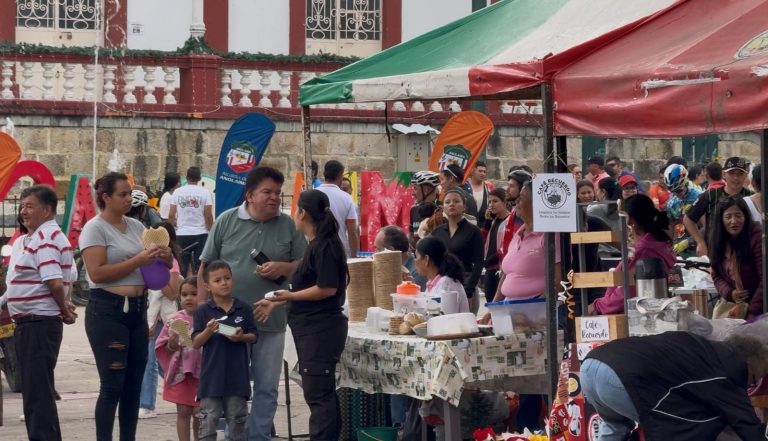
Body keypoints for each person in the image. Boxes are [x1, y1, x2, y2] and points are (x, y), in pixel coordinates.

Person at [197, 166, 306, 441]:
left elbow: (305, 265)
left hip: (271, 320)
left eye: (278, 193)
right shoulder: (226, 221)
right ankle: (233, 436)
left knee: (267, 387)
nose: (274, 198)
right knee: (231, 387)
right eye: (267, 192)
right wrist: (199, 310)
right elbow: (205, 268)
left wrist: (283, 266)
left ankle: (258, 436)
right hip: (228, 324)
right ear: (249, 195)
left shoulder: (289, 225)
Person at [80, 172, 173, 441]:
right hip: (108, 310)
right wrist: (138, 260)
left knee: (133, 386)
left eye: (129, 194)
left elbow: (158, 270)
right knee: (112, 385)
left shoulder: (136, 226)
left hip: (137, 309)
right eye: (122, 194)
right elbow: (97, 273)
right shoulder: (95, 228)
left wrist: (166, 257)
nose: (128, 199)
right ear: (106, 197)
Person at [255, 190, 348, 441]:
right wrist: (278, 300)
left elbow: (327, 288)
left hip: (320, 328)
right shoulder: (315, 245)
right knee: (319, 393)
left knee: (319, 395)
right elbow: (304, 287)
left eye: (296, 209)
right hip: (310, 327)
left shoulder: (326, 245)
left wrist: (291, 296)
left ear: (303, 213)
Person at [581, 330, 768, 440]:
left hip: (591, 366)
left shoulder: (703, 348)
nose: (749, 386)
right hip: (621, 379)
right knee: (684, 426)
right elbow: (745, 422)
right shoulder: (728, 370)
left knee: (615, 426)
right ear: (748, 364)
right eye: (752, 380)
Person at [5, 185, 77, 441]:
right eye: (22, 206)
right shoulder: (38, 237)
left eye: (30, 206)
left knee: (37, 395)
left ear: (46, 210)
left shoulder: (45, 238)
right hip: (32, 322)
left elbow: (54, 282)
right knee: (37, 393)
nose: (23, 212)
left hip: (38, 323)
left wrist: (63, 310)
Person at [193, 260, 258, 441]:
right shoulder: (203, 311)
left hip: (237, 377)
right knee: (208, 422)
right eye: (218, 280)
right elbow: (196, 343)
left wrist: (241, 337)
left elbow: (254, 336)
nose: (224, 283)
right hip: (211, 378)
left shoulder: (243, 308)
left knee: (237, 423)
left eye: (227, 278)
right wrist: (208, 330)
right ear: (207, 286)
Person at [589, 194, 675, 315]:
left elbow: (627, 291)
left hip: (635, 315)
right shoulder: (656, 242)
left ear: (631, 220)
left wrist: (598, 306)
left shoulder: (644, 249)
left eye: (623, 218)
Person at [139, 221, 182, 419]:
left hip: (164, 319)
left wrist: (158, 278)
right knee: (150, 362)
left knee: (170, 362)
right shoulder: (145, 260)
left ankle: (188, 392)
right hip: (149, 316)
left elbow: (172, 293)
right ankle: (147, 404)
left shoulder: (172, 263)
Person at [156, 277, 202, 441]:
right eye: (184, 294)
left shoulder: (209, 317)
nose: (189, 298)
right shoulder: (175, 320)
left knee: (199, 413)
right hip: (181, 374)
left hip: (203, 374)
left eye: (194, 294)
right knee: (183, 411)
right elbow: (162, 346)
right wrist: (171, 345)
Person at [708, 197, 764, 320]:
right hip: (735, 306)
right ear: (721, 220)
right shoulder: (717, 239)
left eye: (738, 216)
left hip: (760, 308)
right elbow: (716, 275)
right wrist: (729, 293)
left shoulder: (756, 236)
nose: (734, 221)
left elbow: (765, 279)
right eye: (728, 217)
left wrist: (752, 312)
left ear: (745, 217)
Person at [684, 156, 752, 257]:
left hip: (745, 252)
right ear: (724, 174)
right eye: (732, 173)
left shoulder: (752, 197)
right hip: (715, 252)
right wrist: (700, 242)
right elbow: (688, 219)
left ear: (746, 175)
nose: (736, 178)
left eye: (740, 174)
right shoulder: (710, 195)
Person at [431, 187, 484, 313]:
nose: (451, 204)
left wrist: (469, 290)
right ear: (443, 207)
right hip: (442, 286)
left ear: (464, 206)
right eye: (447, 202)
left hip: (466, 284)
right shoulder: (437, 232)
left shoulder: (473, 231)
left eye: (456, 201)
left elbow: (478, 263)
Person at [169, 166, 214, 276]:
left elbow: (171, 215)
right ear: (199, 178)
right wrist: (212, 232)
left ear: (186, 177)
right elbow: (208, 216)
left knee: (182, 267)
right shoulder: (205, 192)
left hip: (181, 234)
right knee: (201, 267)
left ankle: (182, 285)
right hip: (201, 234)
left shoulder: (177, 192)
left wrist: (172, 233)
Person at [415, 236, 470, 314]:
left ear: (426, 259)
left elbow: (445, 318)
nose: (415, 261)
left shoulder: (446, 285)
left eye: (416, 256)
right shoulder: (434, 283)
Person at [317, 160, 359, 258]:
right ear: (340, 175)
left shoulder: (312, 195)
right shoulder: (347, 198)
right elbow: (352, 231)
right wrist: (354, 258)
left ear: (324, 174)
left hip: (317, 252)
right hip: (340, 251)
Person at [663, 164, 702, 257]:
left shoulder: (699, 197)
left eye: (679, 190)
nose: (677, 194)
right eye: (673, 191)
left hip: (697, 249)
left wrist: (689, 241)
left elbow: (707, 227)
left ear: (686, 182)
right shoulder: (671, 203)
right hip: (678, 250)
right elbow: (670, 228)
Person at [375, 225, 428, 290]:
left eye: (378, 249)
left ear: (390, 251)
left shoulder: (417, 273)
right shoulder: (391, 269)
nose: (375, 253)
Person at [482, 188, 509, 304]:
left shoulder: (509, 221)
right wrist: (487, 222)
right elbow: (483, 242)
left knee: (500, 305)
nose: (491, 205)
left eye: (495, 201)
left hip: (501, 269)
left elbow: (505, 247)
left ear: (504, 202)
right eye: (489, 202)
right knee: (491, 304)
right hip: (489, 269)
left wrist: (487, 261)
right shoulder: (494, 221)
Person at [500, 168, 533, 256]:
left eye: (511, 186)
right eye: (508, 185)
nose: (507, 189)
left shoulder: (527, 215)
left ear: (523, 188)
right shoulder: (515, 212)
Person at [410, 170, 441, 244]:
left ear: (426, 190)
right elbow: (411, 235)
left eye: (415, 188)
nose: (412, 193)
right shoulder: (414, 209)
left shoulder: (440, 212)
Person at [463, 161, 494, 229]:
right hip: (465, 226)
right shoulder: (464, 185)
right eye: (480, 171)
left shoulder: (489, 186)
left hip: (483, 226)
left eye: (484, 172)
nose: (483, 173)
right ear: (472, 171)